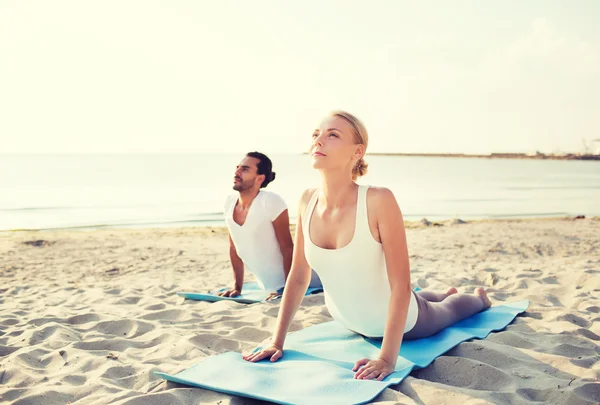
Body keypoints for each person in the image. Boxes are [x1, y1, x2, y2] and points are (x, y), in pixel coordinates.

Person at [242, 112, 491, 380]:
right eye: (316, 134)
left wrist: (386, 358)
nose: (318, 141)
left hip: (406, 325)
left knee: (450, 310)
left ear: (357, 151)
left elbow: (400, 284)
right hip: (349, 321)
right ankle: (441, 293)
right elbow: (299, 275)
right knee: (427, 299)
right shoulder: (306, 200)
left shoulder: (378, 200)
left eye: (332, 135)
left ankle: (478, 298)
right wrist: (276, 341)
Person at [219, 152, 321, 301]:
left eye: (245, 169)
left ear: (260, 178)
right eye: (237, 167)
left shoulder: (270, 201)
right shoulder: (229, 203)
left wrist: (288, 287)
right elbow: (234, 248)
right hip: (267, 286)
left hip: (307, 279)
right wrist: (237, 287)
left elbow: (287, 248)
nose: (237, 172)